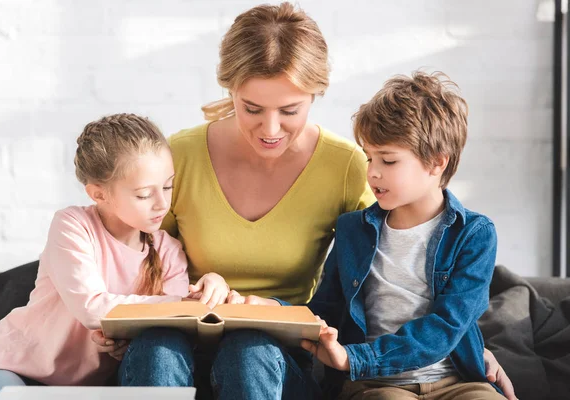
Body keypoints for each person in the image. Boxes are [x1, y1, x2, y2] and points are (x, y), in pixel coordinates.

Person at [92, 3, 515, 400]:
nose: (270, 128)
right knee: (154, 349)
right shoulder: (177, 157)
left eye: (289, 110)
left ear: (315, 95)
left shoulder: (348, 166)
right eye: (252, 108)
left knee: (249, 349)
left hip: (274, 352)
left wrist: (468, 345)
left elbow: (400, 260)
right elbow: (135, 253)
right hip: (179, 333)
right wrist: (124, 321)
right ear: (230, 89)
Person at [0, 113, 228, 400]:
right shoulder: (72, 225)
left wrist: (207, 288)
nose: (162, 203)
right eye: (144, 194)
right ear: (99, 194)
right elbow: (92, 308)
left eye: (167, 186)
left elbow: (177, 324)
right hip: (15, 367)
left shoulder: (168, 250)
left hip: (88, 387)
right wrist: (180, 305)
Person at [301, 71, 511, 400]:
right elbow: (323, 309)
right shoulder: (353, 230)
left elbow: (447, 325)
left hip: (457, 381)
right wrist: (272, 310)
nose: (372, 171)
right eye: (369, 157)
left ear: (436, 163)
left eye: (388, 160)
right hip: (375, 383)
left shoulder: (474, 235)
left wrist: (355, 358)